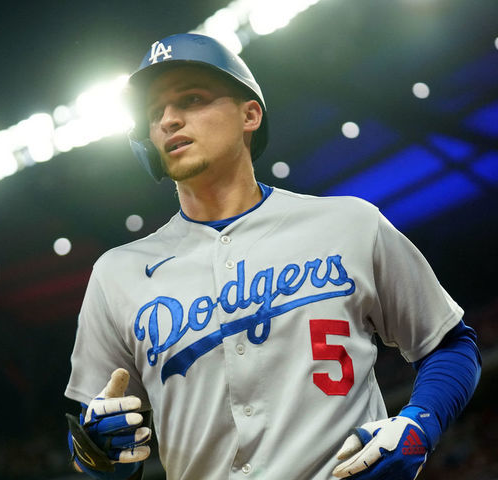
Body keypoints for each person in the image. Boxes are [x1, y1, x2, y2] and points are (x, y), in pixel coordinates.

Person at [64, 33, 481, 480]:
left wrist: (418, 425)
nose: (168, 120)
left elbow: (450, 344)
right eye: (154, 113)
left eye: (192, 98)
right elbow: (96, 442)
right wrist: (98, 453)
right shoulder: (117, 273)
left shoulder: (349, 223)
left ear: (250, 114)